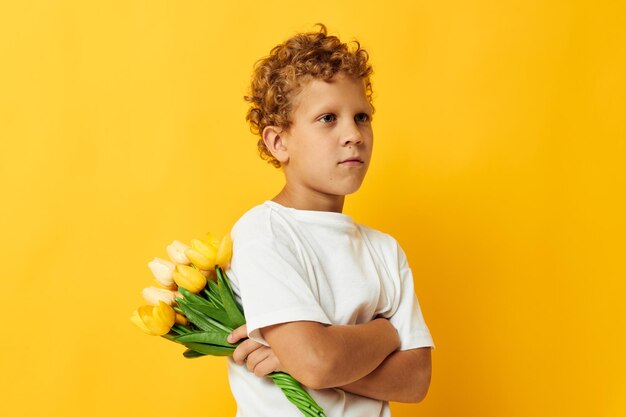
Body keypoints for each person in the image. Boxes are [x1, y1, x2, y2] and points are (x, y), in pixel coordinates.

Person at [223, 23, 435, 417]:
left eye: (361, 117)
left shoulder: (384, 250)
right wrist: (385, 333)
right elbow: (316, 361)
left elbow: (416, 380)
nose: (352, 134)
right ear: (278, 142)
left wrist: (297, 360)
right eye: (327, 118)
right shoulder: (262, 234)